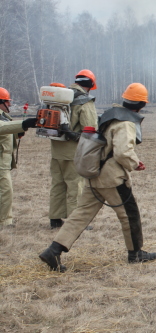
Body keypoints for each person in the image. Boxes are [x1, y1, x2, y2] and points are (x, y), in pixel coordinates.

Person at [39, 83, 156, 272]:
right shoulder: (126, 123)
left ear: (125, 98)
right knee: (130, 215)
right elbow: (122, 153)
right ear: (142, 104)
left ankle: (53, 250)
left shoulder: (110, 116)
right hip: (112, 178)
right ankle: (136, 254)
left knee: (80, 215)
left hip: (94, 174)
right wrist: (135, 163)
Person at [48, 70, 98, 229]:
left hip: (56, 151)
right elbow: (90, 129)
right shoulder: (84, 101)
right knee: (75, 186)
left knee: (57, 185)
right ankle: (75, 222)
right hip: (73, 153)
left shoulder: (60, 97)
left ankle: (55, 219)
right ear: (90, 84)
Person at [0, 87, 39, 227]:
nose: (9, 105)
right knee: (5, 192)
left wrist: (17, 134)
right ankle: (4, 222)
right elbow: (2, 128)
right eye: (7, 102)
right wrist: (23, 124)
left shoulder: (3, 116)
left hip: (3, 161)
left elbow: (6, 131)